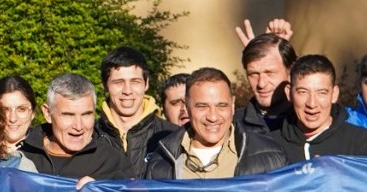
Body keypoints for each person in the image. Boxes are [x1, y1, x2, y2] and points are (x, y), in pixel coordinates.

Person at [147, 67, 285, 179]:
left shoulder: (269, 156)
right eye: (202, 106)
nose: (213, 117)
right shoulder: (161, 163)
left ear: (232, 105)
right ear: (187, 108)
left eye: (221, 106)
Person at [274, 55, 367, 162]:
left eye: (321, 93)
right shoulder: (271, 145)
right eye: (303, 92)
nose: (312, 104)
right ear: (289, 93)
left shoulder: (362, 144)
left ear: (334, 94)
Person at [24, 74, 135, 181]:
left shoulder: (114, 163)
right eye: (68, 115)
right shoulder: (23, 153)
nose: (78, 126)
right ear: (48, 114)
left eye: (86, 114)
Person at [94, 46, 174, 171]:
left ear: (146, 84)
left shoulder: (172, 136)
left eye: (135, 82)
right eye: (118, 82)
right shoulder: (89, 137)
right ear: (105, 85)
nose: (127, 91)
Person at [235, 30, 295, 137]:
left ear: (290, 71)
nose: (261, 84)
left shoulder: (308, 121)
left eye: (270, 73)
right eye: (254, 74)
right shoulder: (234, 126)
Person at [0, 76, 40, 151]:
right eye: (5, 110)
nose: (13, 119)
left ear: (33, 113)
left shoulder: (44, 152)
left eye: (21, 109)